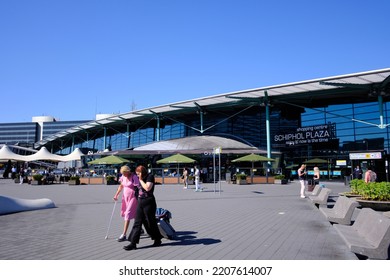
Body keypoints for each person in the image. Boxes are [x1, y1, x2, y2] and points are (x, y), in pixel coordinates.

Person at [123, 165, 163, 251]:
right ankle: (133, 243)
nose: (137, 175)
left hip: (149, 202)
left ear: (143, 172)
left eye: (139, 173)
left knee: (150, 221)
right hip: (140, 202)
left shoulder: (150, 177)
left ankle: (157, 239)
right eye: (137, 174)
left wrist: (140, 180)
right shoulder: (136, 178)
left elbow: (147, 188)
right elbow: (136, 188)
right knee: (137, 222)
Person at [113, 165, 139, 242]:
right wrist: (116, 194)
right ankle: (140, 228)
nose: (123, 175)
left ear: (128, 172)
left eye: (124, 173)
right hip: (125, 197)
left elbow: (138, 187)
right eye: (122, 173)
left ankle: (124, 234)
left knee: (128, 213)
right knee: (134, 214)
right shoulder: (123, 177)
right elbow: (121, 186)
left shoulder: (134, 177)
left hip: (133, 197)